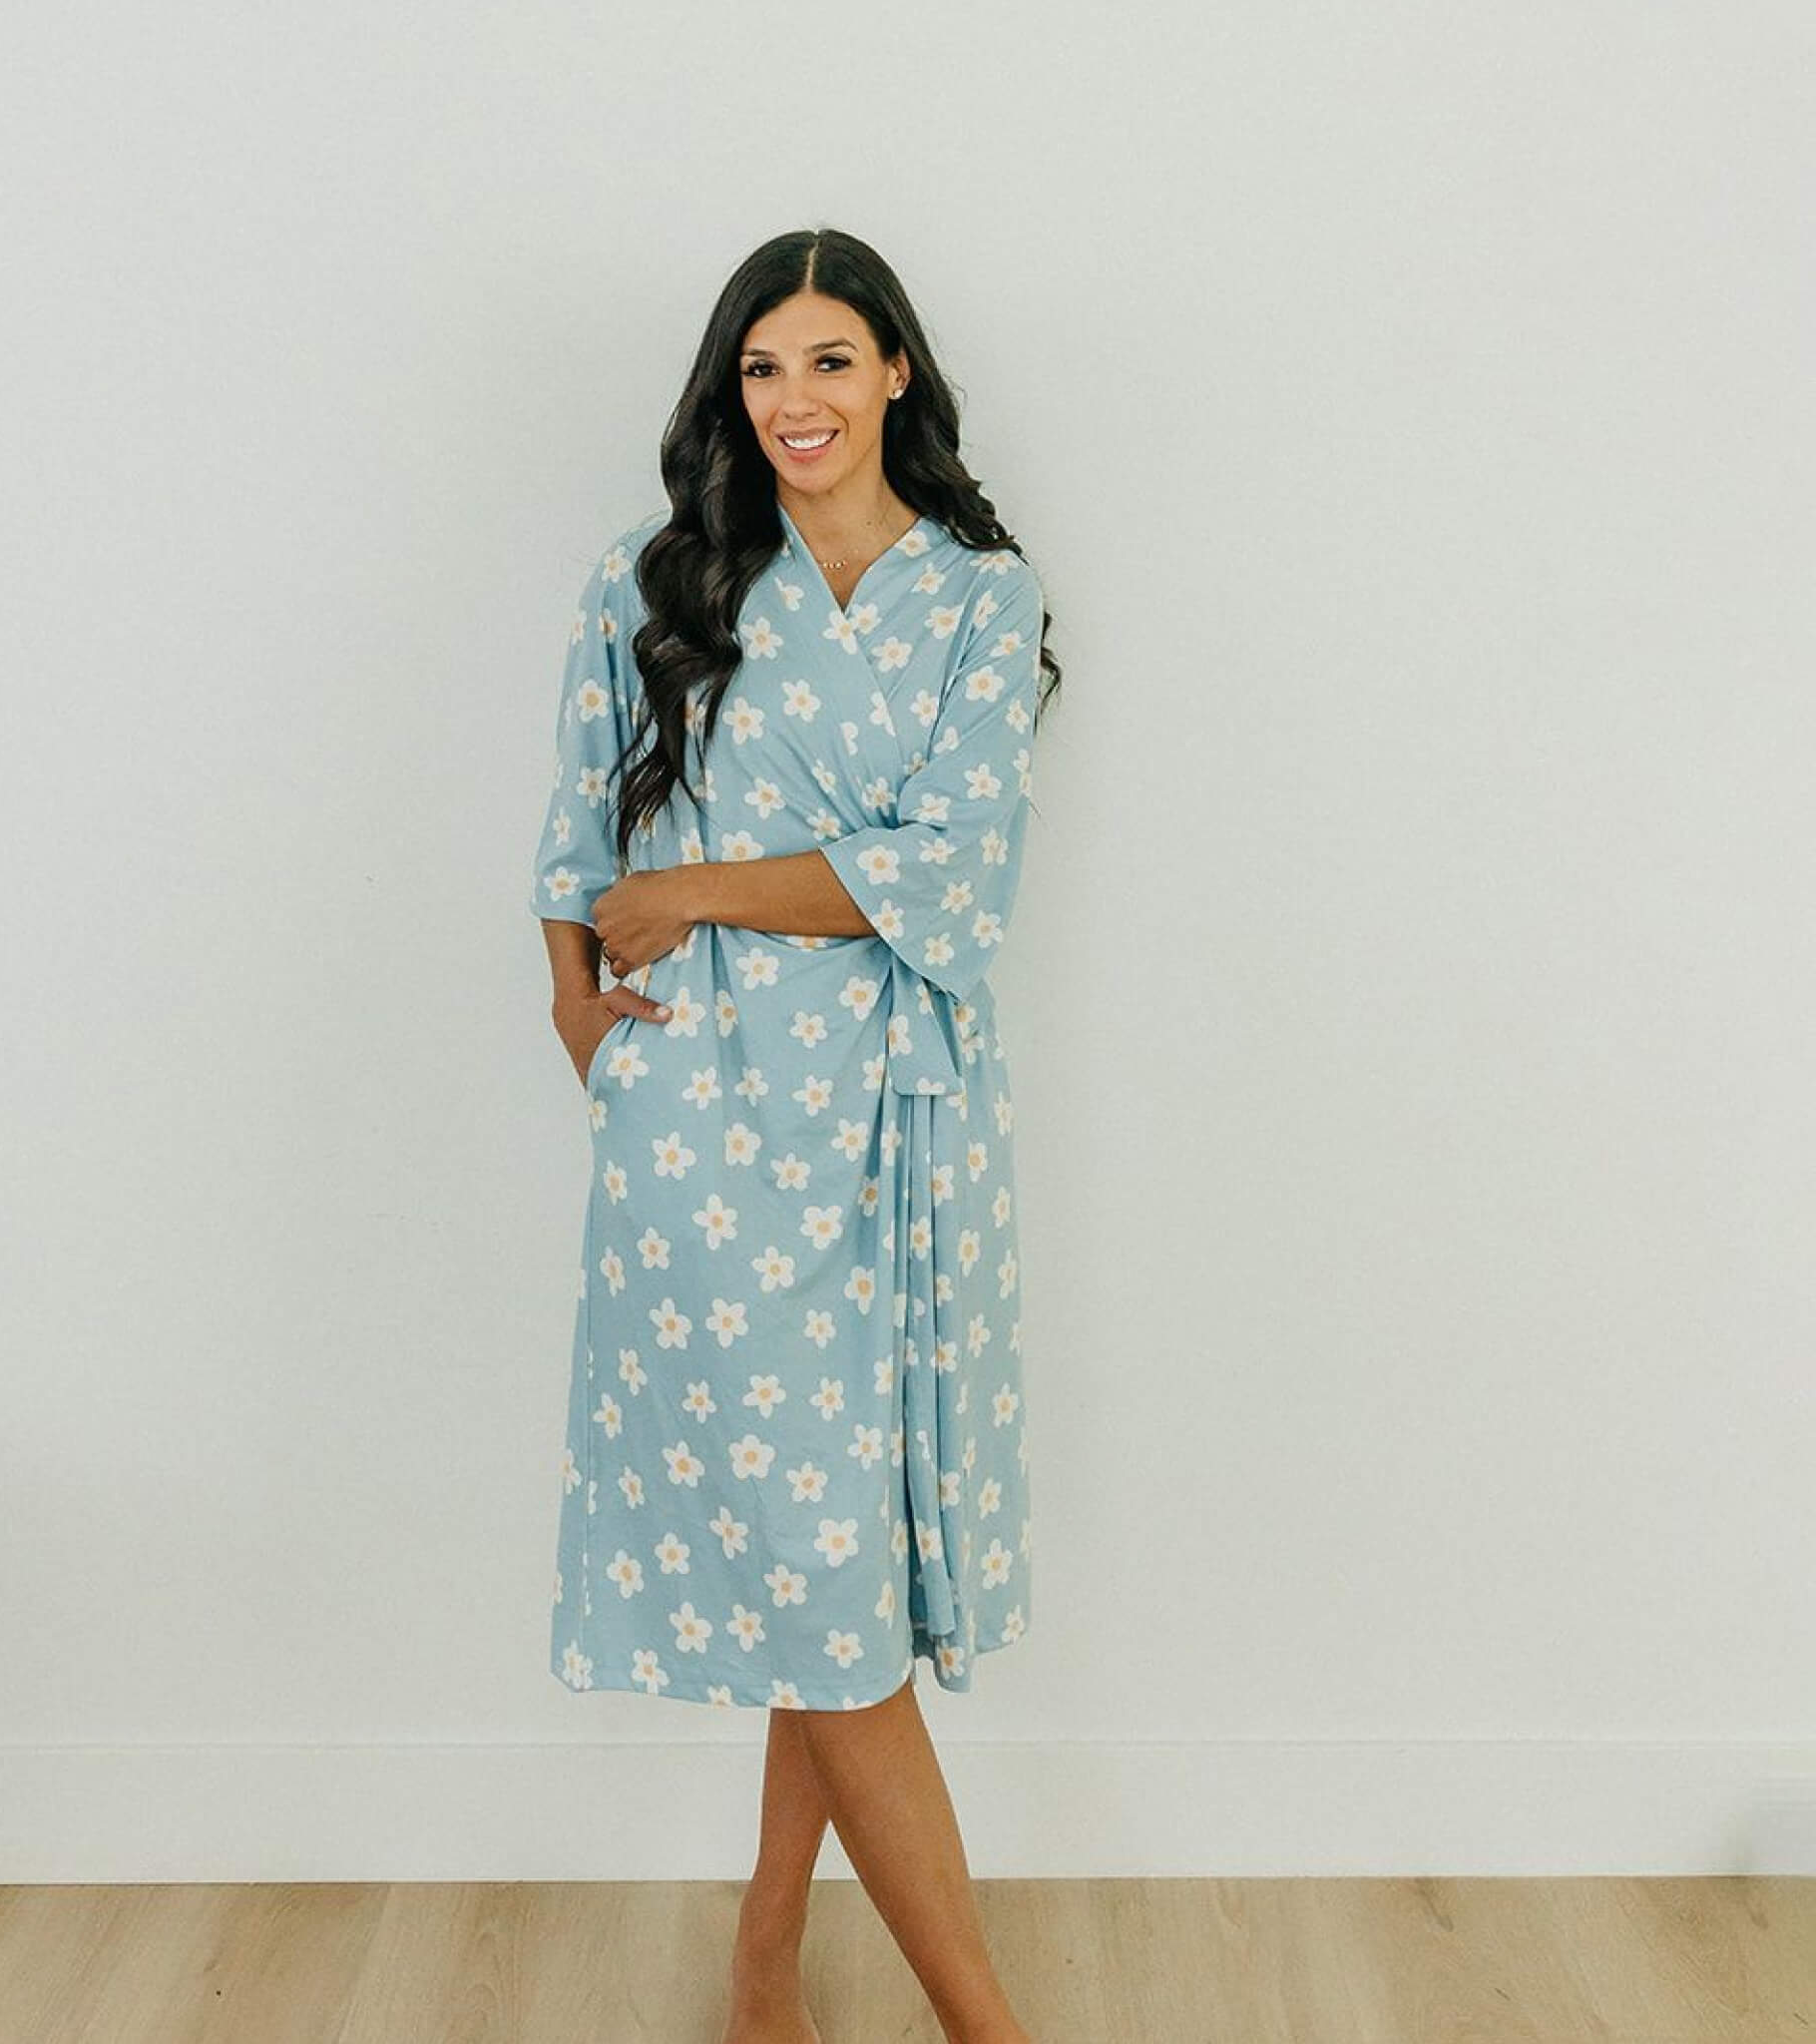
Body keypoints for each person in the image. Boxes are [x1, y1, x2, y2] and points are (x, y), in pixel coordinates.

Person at [528, 225, 1062, 2044]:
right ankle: (985, 2026)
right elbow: (574, 832)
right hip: (704, 1125)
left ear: (896, 371)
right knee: (815, 1563)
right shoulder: (663, 577)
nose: (795, 400)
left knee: (836, 1570)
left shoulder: (980, 598)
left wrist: (695, 890)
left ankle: (767, 1951)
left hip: (903, 1121)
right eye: (763, 369)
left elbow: (954, 881)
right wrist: (587, 1027)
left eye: (831, 360)